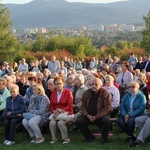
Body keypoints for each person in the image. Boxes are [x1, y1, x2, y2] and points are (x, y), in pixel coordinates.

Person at [74, 78, 112, 144]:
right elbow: (83, 106)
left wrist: (96, 116)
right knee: (78, 121)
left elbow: (107, 108)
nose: (93, 86)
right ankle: (90, 137)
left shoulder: (105, 93)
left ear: (100, 85)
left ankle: (104, 139)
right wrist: (87, 115)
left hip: (101, 114)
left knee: (106, 120)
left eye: (96, 84)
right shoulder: (87, 92)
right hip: (89, 114)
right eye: (92, 84)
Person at [49, 77, 74, 144]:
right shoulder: (53, 93)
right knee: (52, 122)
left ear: (63, 83)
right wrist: (54, 111)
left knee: (60, 122)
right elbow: (51, 106)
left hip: (67, 113)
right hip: (56, 113)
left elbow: (69, 105)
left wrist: (59, 111)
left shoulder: (68, 92)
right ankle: (54, 139)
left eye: (60, 83)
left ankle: (66, 138)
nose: (58, 85)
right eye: (56, 84)